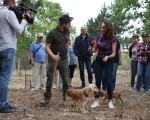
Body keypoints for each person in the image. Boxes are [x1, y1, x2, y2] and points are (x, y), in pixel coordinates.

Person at [0, 0, 29, 113]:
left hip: (1, 47)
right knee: (5, 78)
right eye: (15, 2)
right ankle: (2, 105)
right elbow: (19, 30)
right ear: (11, 2)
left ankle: (4, 102)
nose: (15, 5)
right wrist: (25, 20)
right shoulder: (9, 13)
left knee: (1, 77)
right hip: (8, 47)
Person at [40, 14, 73, 106]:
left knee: (66, 80)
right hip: (53, 59)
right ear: (63, 24)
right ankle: (47, 98)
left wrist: (65, 51)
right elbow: (46, 47)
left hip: (64, 58)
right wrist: (53, 56)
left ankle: (66, 99)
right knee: (50, 78)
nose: (70, 25)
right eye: (69, 23)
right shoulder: (52, 32)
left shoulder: (67, 32)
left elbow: (67, 42)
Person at [90, 21, 117, 109]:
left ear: (107, 29)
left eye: (103, 27)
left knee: (108, 81)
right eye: (101, 27)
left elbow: (114, 53)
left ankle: (110, 101)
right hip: (99, 59)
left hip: (108, 60)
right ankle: (97, 100)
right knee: (97, 81)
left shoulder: (113, 39)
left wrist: (108, 57)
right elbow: (95, 49)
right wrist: (91, 49)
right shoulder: (99, 36)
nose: (101, 29)